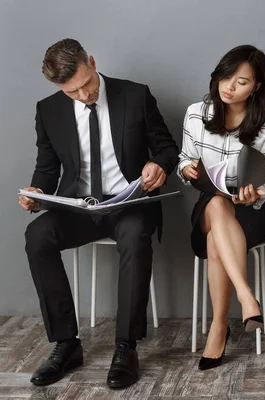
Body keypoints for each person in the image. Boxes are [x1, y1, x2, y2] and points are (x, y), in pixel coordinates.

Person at [18, 39, 179, 388]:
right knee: (37, 236)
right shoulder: (49, 110)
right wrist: (36, 192)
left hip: (129, 202)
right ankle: (66, 344)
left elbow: (168, 148)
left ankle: (126, 347)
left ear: (91, 61)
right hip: (80, 206)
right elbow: (46, 169)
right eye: (72, 92)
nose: (83, 96)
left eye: (86, 85)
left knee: (136, 236)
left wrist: (157, 165)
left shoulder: (135, 95)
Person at [178, 45, 265, 371]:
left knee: (215, 237)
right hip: (210, 202)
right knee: (217, 203)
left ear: (257, 87)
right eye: (226, 77)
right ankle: (246, 297)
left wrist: (252, 195)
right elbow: (184, 159)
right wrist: (186, 169)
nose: (229, 86)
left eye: (241, 82)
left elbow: (262, 185)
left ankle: (219, 327)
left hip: (253, 211)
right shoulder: (196, 112)